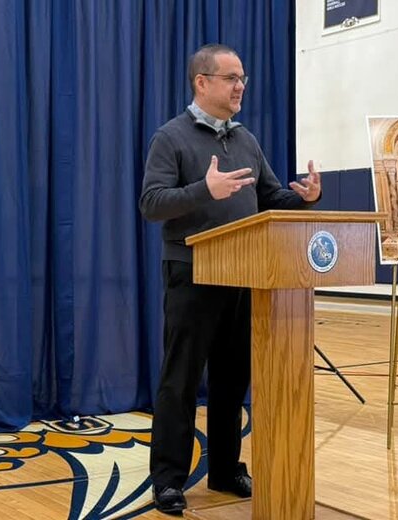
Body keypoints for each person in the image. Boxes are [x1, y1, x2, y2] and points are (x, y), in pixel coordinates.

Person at [139, 43, 321, 516]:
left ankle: (224, 469)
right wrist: (205, 189)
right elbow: (152, 203)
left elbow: (270, 196)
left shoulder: (246, 139)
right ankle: (168, 480)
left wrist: (302, 198)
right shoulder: (171, 137)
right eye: (231, 78)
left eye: (242, 78)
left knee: (231, 379)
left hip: (245, 274)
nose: (241, 86)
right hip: (192, 273)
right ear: (202, 82)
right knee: (180, 380)